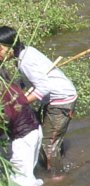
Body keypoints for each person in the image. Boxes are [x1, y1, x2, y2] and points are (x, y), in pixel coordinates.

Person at [0, 26, 77, 173]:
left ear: (10, 46)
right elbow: (29, 82)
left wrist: (19, 103)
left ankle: (57, 179)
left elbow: (44, 87)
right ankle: (51, 165)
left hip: (61, 100)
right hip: (53, 99)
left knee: (48, 145)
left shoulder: (25, 60)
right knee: (46, 137)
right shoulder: (24, 53)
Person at [0, 66, 42, 186]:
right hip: (35, 131)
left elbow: (5, 119)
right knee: (28, 175)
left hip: (24, 137)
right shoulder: (12, 85)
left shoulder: (3, 93)